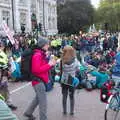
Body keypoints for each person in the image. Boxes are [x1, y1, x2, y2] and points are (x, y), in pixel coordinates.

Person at [24, 37, 56, 120]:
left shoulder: (40, 54)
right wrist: (49, 64)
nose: (48, 46)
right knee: (43, 103)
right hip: (38, 81)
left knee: (38, 98)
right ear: (43, 45)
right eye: (47, 44)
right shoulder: (37, 55)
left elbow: (42, 67)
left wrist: (49, 63)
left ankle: (28, 113)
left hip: (39, 80)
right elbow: (36, 70)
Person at [60, 45, 80, 115]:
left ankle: (64, 110)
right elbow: (78, 69)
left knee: (64, 96)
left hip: (64, 80)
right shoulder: (75, 60)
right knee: (72, 96)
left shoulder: (62, 60)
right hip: (72, 80)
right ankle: (72, 111)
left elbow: (60, 70)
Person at [0, 41, 17, 110]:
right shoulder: (1, 53)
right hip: (2, 74)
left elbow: (5, 62)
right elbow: (3, 63)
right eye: (2, 46)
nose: (3, 47)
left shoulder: (3, 53)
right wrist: (8, 69)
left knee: (5, 89)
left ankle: (8, 103)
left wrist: (8, 67)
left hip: (4, 74)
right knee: (3, 89)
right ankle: (4, 105)